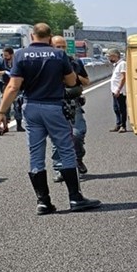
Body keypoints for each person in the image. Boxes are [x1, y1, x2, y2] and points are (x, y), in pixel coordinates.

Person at [0, 23, 100, 214]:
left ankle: (43, 202)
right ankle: (75, 198)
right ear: (50, 38)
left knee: (35, 154)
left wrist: (1, 113)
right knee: (66, 150)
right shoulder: (59, 55)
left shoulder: (20, 55)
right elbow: (71, 81)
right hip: (53, 106)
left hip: (31, 107)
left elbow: (13, 86)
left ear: (32, 36)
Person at [50, 36, 90, 181]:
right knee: (57, 138)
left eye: (63, 47)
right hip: (54, 103)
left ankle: (78, 159)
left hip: (73, 102)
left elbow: (86, 81)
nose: (60, 49)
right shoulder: (47, 62)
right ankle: (59, 168)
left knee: (77, 134)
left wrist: (73, 75)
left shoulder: (75, 62)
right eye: (57, 47)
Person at [0, 47, 25, 131]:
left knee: (18, 106)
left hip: (17, 86)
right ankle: (5, 125)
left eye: (6, 55)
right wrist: (3, 72)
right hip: (5, 86)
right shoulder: (0, 61)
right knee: (5, 106)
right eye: (3, 55)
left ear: (12, 54)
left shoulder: (17, 61)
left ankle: (19, 125)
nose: (4, 57)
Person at [107, 48, 128, 132]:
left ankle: (123, 125)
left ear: (115, 56)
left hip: (120, 91)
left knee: (121, 108)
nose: (109, 59)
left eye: (110, 57)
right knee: (116, 108)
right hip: (114, 90)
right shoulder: (116, 65)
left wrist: (119, 89)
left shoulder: (122, 64)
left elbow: (123, 77)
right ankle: (118, 124)